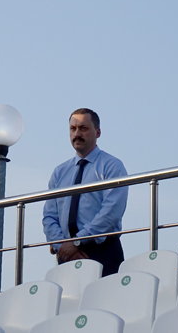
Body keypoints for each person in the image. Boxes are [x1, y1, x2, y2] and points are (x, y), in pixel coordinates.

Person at [42, 108, 128, 276]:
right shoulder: (59, 172)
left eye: (83, 128)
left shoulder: (112, 166)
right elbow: (49, 216)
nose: (77, 134)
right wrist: (63, 245)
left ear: (98, 132)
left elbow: (111, 213)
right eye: (73, 128)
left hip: (102, 251)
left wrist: (77, 242)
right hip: (66, 254)